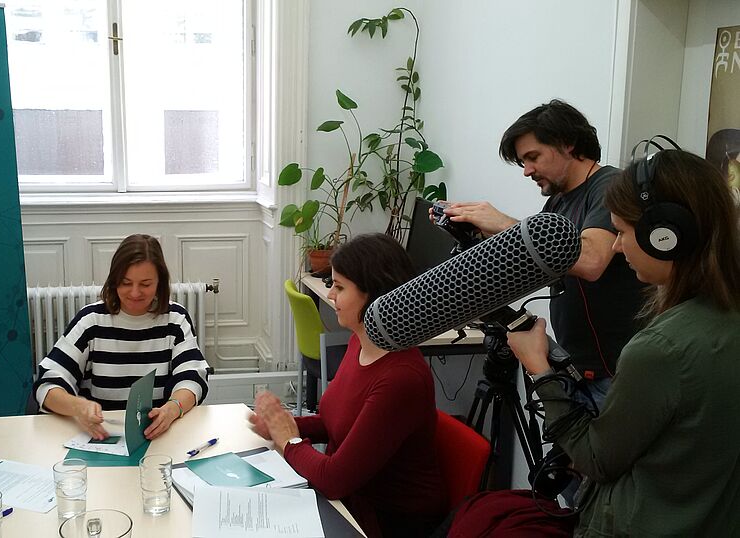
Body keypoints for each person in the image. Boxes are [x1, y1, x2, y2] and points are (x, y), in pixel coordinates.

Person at [505, 149, 740, 536]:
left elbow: (596, 460)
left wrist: (539, 369)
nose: (616, 247)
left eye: (622, 233)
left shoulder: (659, 350)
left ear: (665, 237)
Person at [437, 99, 645, 405]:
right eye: (523, 162)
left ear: (568, 144)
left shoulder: (610, 187)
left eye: (533, 157)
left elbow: (591, 261)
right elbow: (539, 262)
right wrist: (479, 235)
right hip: (576, 367)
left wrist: (504, 223)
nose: (527, 171)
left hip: (612, 376)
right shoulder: (558, 203)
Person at [251, 233, 447, 538]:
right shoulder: (360, 340)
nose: (330, 296)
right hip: (350, 502)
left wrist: (289, 440)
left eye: (339, 287)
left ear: (376, 295)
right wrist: (284, 425)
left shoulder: (401, 378)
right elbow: (336, 422)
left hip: (387, 522)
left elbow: (334, 479)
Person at [34, 234, 209, 441]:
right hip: (100, 436)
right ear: (114, 281)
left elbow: (192, 378)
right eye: (126, 283)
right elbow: (47, 383)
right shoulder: (92, 320)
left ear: (159, 283)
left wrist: (172, 409)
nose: (135, 293)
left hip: (157, 436)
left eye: (145, 284)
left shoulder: (175, 319)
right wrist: (78, 406)